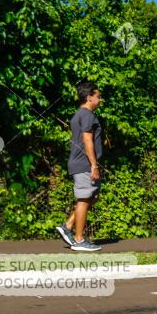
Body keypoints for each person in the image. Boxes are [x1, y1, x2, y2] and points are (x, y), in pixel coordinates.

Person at [55, 81, 104, 251]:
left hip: (81, 162)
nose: (100, 100)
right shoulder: (87, 115)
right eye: (98, 96)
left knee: (93, 197)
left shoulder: (79, 115)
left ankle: (68, 226)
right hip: (84, 163)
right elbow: (87, 140)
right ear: (89, 97)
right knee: (84, 199)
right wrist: (94, 165)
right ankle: (79, 239)